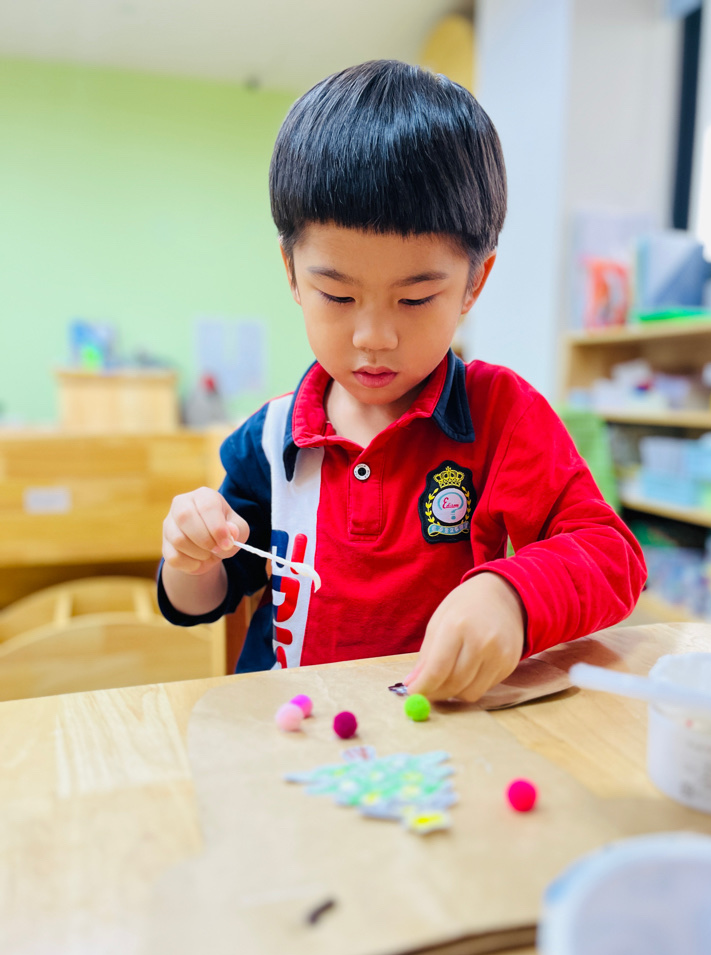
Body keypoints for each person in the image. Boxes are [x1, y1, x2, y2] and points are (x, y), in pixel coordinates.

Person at [159, 59, 646, 703]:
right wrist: (189, 559)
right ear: (292, 272)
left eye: (415, 299)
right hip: (286, 732)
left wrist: (511, 595)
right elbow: (203, 600)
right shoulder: (271, 439)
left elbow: (612, 555)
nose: (373, 337)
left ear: (474, 282)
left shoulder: (501, 416)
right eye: (337, 295)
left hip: (436, 736)